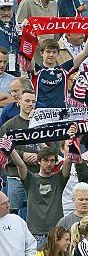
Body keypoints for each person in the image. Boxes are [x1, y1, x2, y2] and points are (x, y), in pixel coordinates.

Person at [11, 143, 74, 246]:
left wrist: (74, 138)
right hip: (35, 233)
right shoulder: (30, 179)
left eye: (52, 161)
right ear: (39, 161)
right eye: (45, 160)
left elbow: (68, 160)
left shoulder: (59, 179)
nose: (49, 164)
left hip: (56, 232)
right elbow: (20, 165)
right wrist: (11, 149)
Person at [0, 88, 38, 220]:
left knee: (35, 213)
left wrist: (39, 157)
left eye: (33, 101)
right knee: (11, 213)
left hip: (36, 177)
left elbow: (53, 150)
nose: (30, 104)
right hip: (15, 177)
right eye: (27, 101)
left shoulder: (42, 125)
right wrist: (23, 156)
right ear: (19, 102)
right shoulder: (9, 125)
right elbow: (2, 152)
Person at [31, 37, 88, 109]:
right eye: (48, 51)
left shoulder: (64, 70)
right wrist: (26, 35)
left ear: (58, 54)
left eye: (54, 52)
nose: (51, 55)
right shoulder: (36, 70)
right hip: (41, 115)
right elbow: (27, 56)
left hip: (61, 115)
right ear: (42, 53)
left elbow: (85, 54)